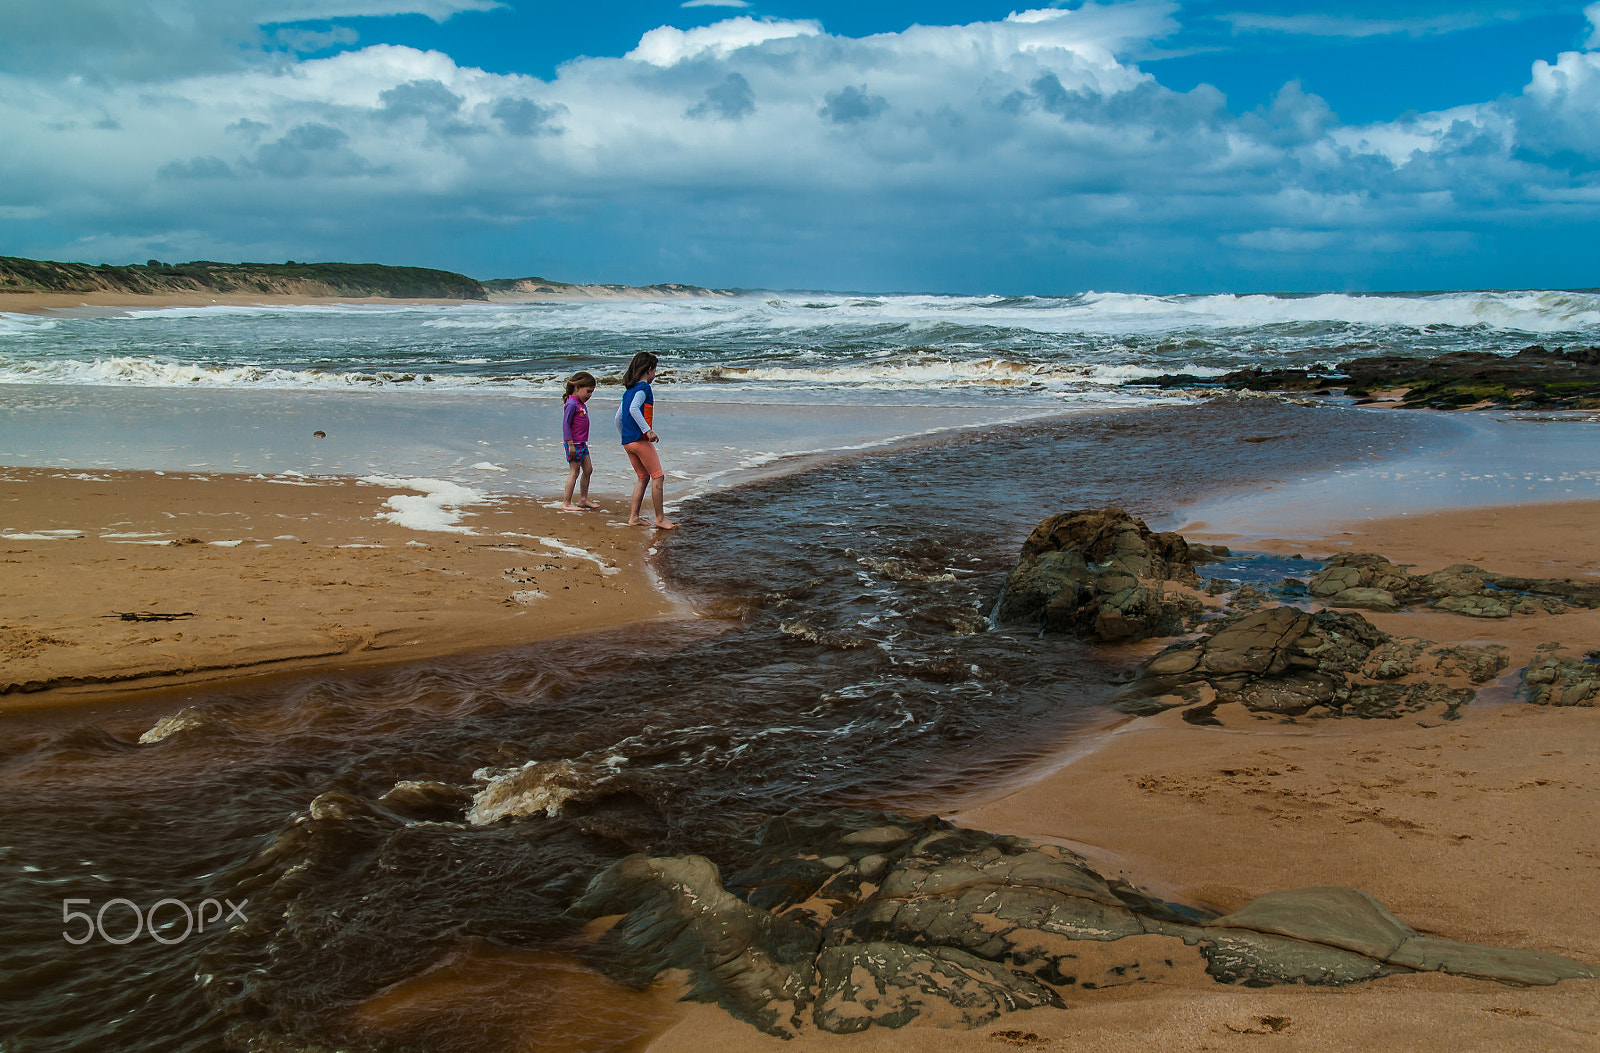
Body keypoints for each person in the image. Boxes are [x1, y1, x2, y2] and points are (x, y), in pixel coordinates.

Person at [614, 351, 677, 529]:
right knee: (658, 477)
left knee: (643, 477)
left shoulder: (628, 391)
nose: (655, 375)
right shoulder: (644, 389)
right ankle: (660, 518)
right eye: (655, 371)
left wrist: (625, 436)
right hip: (640, 441)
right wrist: (647, 431)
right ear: (649, 370)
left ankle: (634, 517)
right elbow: (634, 409)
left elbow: (618, 418)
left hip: (628, 442)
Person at [560, 371, 601, 511]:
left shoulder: (580, 403)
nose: (590, 395)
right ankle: (566, 502)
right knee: (574, 472)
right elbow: (566, 424)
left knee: (588, 470)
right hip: (574, 444)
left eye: (592, 392)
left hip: (582, 443)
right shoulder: (571, 403)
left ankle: (583, 499)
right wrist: (570, 443)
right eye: (588, 391)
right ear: (577, 387)